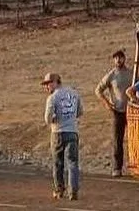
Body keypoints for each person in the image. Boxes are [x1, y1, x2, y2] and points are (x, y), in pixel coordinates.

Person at [42, 70, 83, 202]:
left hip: (58, 132)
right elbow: (80, 111)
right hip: (72, 131)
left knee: (58, 163)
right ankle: (73, 191)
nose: (46, 87)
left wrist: (55, 119)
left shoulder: (52, 98)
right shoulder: (74, 93)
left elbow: (47, 119)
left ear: (55, 82)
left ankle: (59, 190)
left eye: (48, 84)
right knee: (73, 163)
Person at [95, 47, 133, 177]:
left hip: (132, 110)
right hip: (118, 111)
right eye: (116, 58)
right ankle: (117, 167)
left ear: (124, 59)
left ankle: (134, 163)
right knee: (118, 140)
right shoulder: (111, 75)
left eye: (120, 58)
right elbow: (98, 90)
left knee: (134, 138)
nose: (118, 60)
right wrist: (107, 103)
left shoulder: (131, 73)